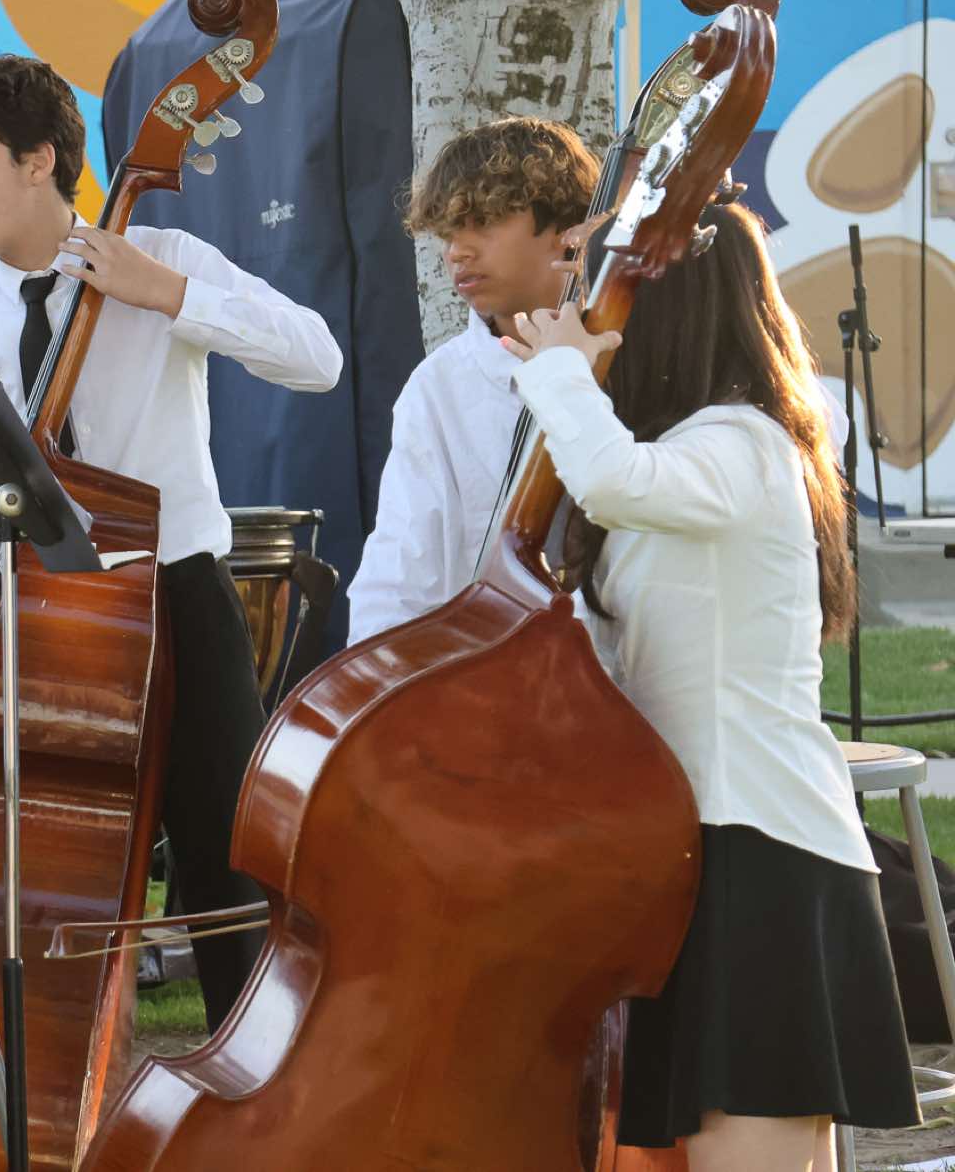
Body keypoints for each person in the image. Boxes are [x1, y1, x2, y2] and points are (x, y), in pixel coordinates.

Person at [0, 53, 344, 1030]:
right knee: (46, 892)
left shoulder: (159, 254)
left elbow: (316, 359)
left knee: (227, 877)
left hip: (179, 604)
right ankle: (59, 1088)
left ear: (39, 160)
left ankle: (255, 1086)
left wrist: (169, 293)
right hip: (47, 626)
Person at [502, 203, 917, 1172]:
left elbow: (610, 480)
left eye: (614, 302)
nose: (597, 323)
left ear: (664, 311)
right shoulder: (701, 449)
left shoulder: (741, 442)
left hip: (761, 852)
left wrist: (559, 372)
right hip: (709, 849)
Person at [344, 116, 596, 644]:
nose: (457, 251)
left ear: (566, 228)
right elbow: (398, 581)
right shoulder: (437, 388)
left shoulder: (638, 352)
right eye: (448, 233)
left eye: (484, 222)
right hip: (495, 679)